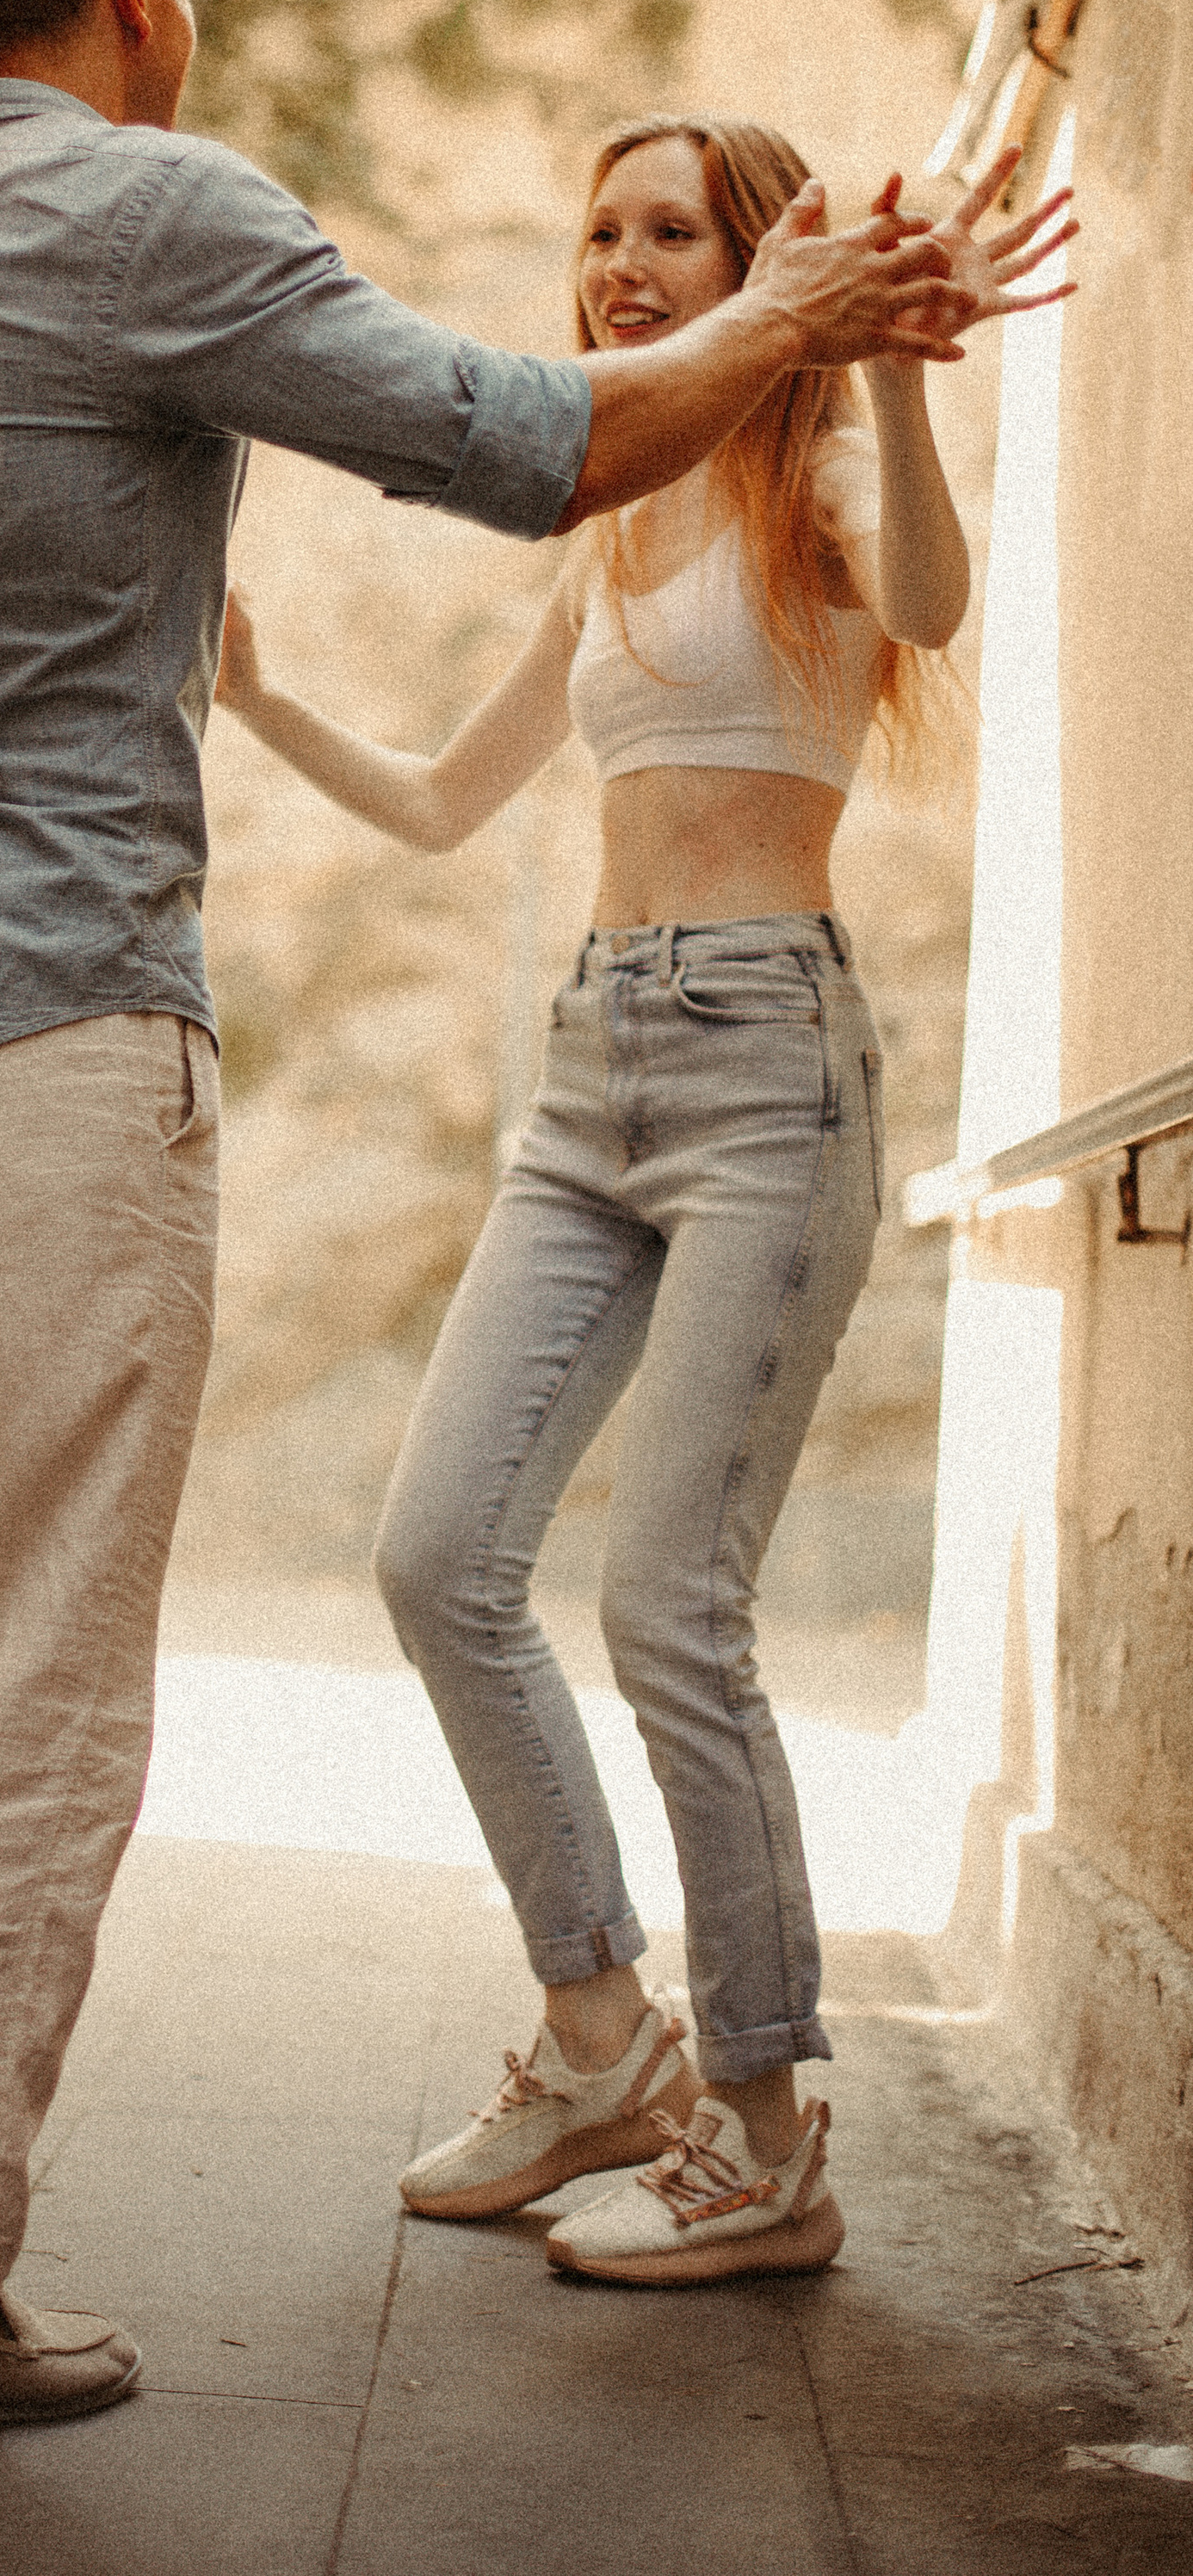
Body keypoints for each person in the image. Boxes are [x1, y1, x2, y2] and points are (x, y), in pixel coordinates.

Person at [0, 0, 1008, 2426]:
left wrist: (800, 348)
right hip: (54, 1032)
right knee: (33, 1683)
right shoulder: (152, 212)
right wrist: (801, 305)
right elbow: (519, 427)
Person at [214, 114, 1071, 2288]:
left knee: (669, 1609)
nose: (613, 263)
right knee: (436, 1560)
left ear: (752, 256)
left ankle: (765, 2131)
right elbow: (436, 806)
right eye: (594, 230)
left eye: (664, 231)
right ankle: (601, 2037)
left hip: (766, 1068)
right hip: (589, 1072)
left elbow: (942, 605)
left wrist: (874, 355)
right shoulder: (605, 515)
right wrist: (257, 695)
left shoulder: (818, 492)